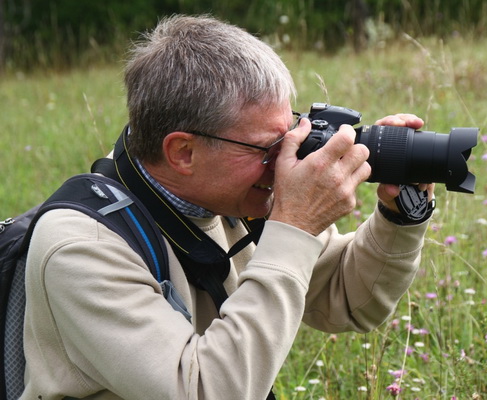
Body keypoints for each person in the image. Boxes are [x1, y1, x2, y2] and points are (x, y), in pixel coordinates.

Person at [22, 14, 434, 400]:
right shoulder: (81, 248)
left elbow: (345, 299)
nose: (285, 159)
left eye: (291, 130)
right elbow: (206, 389)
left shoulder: (235, 193)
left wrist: (399, 214)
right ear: (183, 152)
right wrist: (295, 225)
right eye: (270, 146)